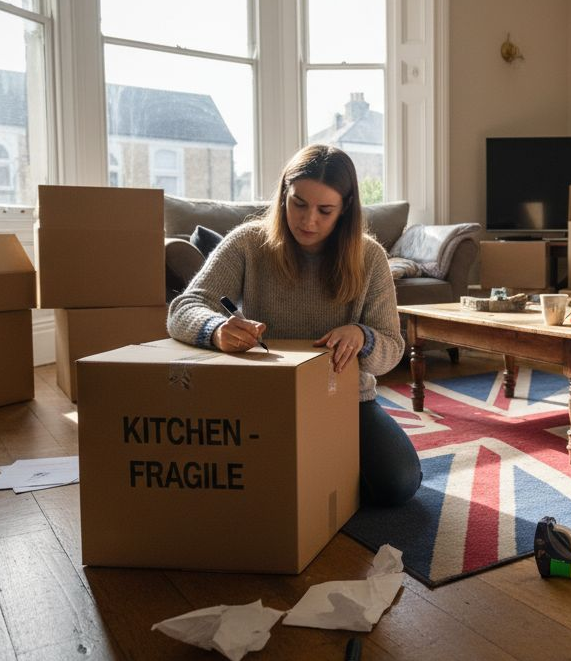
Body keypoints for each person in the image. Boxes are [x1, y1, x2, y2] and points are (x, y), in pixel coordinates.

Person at [167, 144, 422, 506]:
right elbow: (184, 307)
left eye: (325, 210)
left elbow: (392, 349)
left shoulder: (370, 256)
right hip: (264, 397)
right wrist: (215, 330)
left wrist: (362, 337)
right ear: (285, 192)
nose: (308, 221)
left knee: (398, 483)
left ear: (345, 208)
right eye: (298, 203)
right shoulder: (248, 243)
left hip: (345, 400)